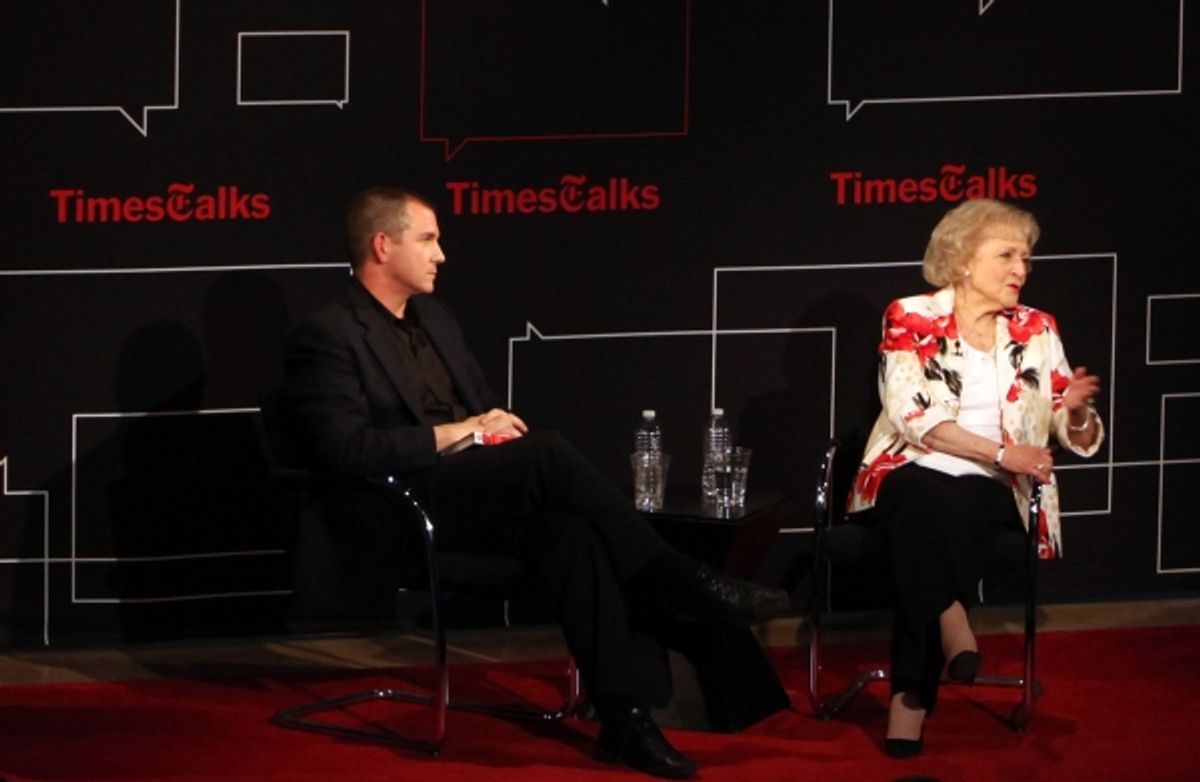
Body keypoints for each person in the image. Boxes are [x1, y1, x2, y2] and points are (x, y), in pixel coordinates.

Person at [283, 186, 789, 779]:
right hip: (400, 510)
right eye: (427, 239)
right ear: (381, 245)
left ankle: (625, 718)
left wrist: (490, 426)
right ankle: (680, 578)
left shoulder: (437, 322)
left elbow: (483, 411)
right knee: (547, 454)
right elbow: (345, 451)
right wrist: (461, 431)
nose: (441, 254)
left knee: (568, 534)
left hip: (471, 491)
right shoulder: (328, 334)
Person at [846, 199, 1103, 758]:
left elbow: (1071, 430)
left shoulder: (1038, 328)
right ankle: (951, 618)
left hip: (996, 487)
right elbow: (913, 418)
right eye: (1007, 255)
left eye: (1027, 259)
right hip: (912, 466)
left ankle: (913, 691)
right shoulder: (910, 315)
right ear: (963, 261)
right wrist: (1003, 451)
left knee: (934, 515)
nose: (1022, 269)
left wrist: (1076, 412)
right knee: (920, 495)